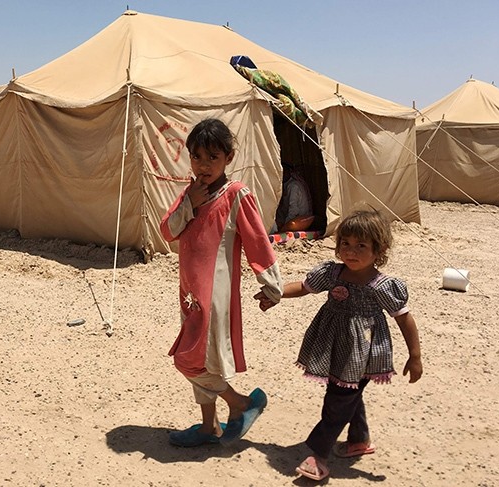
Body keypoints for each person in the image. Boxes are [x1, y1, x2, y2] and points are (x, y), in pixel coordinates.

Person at [255, 209, 423, 481]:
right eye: (345, 243)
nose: (351, 251)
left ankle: (318, 455)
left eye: (361, 246)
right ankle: (359, 440)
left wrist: (414, 356)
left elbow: (404, 319)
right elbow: (303, 287)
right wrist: (274, 293)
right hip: (333, 346)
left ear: (379, 250)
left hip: (364, 353)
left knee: (338, 400)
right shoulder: (332, 274)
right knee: (347, 393)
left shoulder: (381, 285)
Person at [160, 118, 284, 447]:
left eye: (213, 158)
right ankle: (207, 427)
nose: (204, 165)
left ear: (228, 158)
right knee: (203, 358)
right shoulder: (191, 193)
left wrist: (272, 286)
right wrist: (190, 204)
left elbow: (259, 240)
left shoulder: (236, 195)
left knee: (191, 359)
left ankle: (243, 404)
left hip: (215, 295)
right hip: (189, 293)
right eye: (197, 157)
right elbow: (167, 231)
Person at [273, 163, 313, 232]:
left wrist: (285, 225)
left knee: (291, 225)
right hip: (290, 217)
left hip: (300, 218)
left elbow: (294, 210)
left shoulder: (293, 186)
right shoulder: (285, 185)